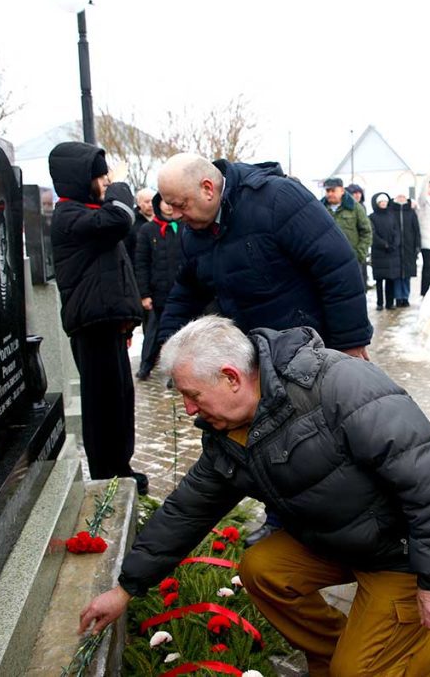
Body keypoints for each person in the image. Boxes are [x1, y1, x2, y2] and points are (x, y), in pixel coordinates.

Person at [78, 316, 430, 677]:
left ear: (231, 377)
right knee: (262, 568)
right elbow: (187, 510)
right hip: (336, 541)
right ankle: (339, 653)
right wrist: (126, 588)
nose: (189, 409)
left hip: (396, 552)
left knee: (356, 673)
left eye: (192, 394)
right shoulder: (227, 431)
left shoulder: (339, 385)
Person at [144, 153, 373, 545]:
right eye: (169, 207)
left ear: (208, 187)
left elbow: (337, 266)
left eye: (180, 205)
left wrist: (350, 345)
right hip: (258, 358)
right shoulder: (196, 233)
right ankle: (281, 520)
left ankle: (367, 520)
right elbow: (186, 290)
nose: (176, 215)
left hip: (314, 349)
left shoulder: (278, 200)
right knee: (271, 442)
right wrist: (170, 348)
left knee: (337, 439)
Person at [48, 142, 148, 495]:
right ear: (80, 178)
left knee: (119, 399)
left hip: (108, 323)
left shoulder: (88, 212)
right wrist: (121, 183)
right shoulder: (70, 216)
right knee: (102, 404)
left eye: (108, 176)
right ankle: (107, 473)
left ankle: (121, 466)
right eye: (100, 175)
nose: (106, 181)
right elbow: (120, 218)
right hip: (92, 327)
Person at [134, 193, 183, 381]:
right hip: (158, 293)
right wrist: (144, 293)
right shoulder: (148, 230)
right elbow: (141, 263)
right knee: (154, 334)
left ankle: (175, 373)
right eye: (165, 202)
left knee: (180, 334)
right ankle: (146, 366)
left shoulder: (184, 227)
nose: (169, 207)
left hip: (180, 291)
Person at [322, 177, 372, 288]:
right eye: (327, 191)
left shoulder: (354, 208)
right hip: (327, 261)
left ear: (342, 191)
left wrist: (359, 254)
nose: (330, 194)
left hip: (351, 260)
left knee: (352, 291)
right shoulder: (320, 209)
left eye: (333, 190)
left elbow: (366, 232)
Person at [369, 192, 399, 310]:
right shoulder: (372, 217)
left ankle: (390, 303)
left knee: (390, 279)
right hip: (379, 252)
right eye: (381, 202)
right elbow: (372, 233)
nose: (383, 204)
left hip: (391, 252)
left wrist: (394, 244)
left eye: (385, 202)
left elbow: (396, 231)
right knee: (379, 280)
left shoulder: (392, 216)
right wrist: (384, 244)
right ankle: (380, 302)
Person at [391, 193, 421, 307]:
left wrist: (417, 245)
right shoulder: (392, 211)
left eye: (403, 196)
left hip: (409, 246)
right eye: (399, 196)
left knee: (407, 274)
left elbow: (416, 230)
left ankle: (405, 296)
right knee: (397, 274)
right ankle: (398, 297)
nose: (401, 198)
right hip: (396, 247)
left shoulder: (411, 212)